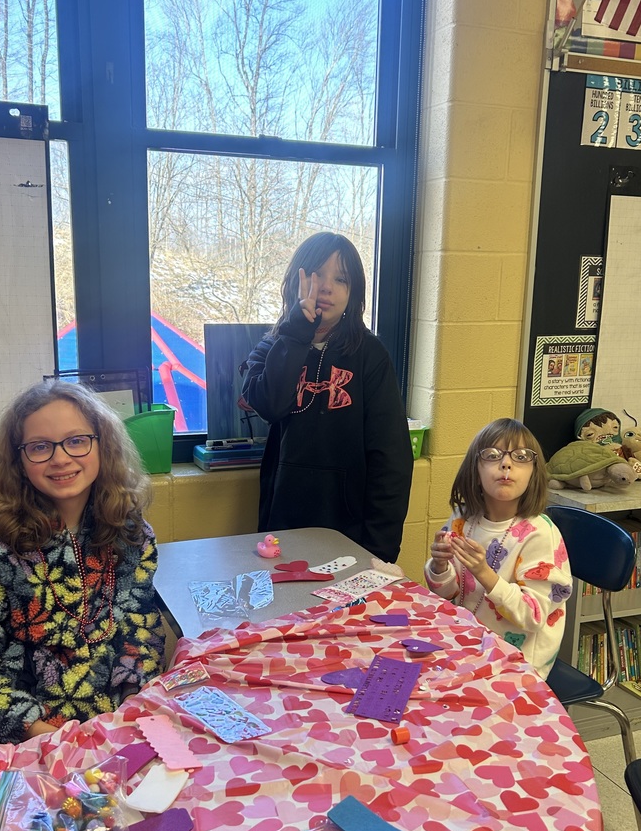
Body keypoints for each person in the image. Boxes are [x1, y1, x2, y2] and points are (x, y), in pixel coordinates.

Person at [0, 381, 165, 746]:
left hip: (116, 726)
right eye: (40, 447)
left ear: (103, 445)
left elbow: (141, 632)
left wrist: (131, 713)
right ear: (19, 461)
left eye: (76, 440)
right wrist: (49, 739)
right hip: (22, 737)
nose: (60, 458)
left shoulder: (130, 534)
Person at [240, 232, 412, 562]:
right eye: (317, 275)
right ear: (297, 280)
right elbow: (270, 405)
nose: (327, 288)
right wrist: (296, 334)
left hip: (351, 534)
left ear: (354, 292)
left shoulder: (370, 355)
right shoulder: (273, 346)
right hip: (283, 528)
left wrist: (381, 549)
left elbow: (391, 458)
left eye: (341, 279)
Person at [424, 418, 572, 679]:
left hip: (519, 661)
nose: (506, 463)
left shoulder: (540, 534)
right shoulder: (463, 519)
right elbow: (446, 595)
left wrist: (484, 572)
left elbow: (533, 615)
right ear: (475, 470)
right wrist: (439, 567)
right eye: (492, 455)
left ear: (533, 473)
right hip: (466, 640)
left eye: (521, 456)